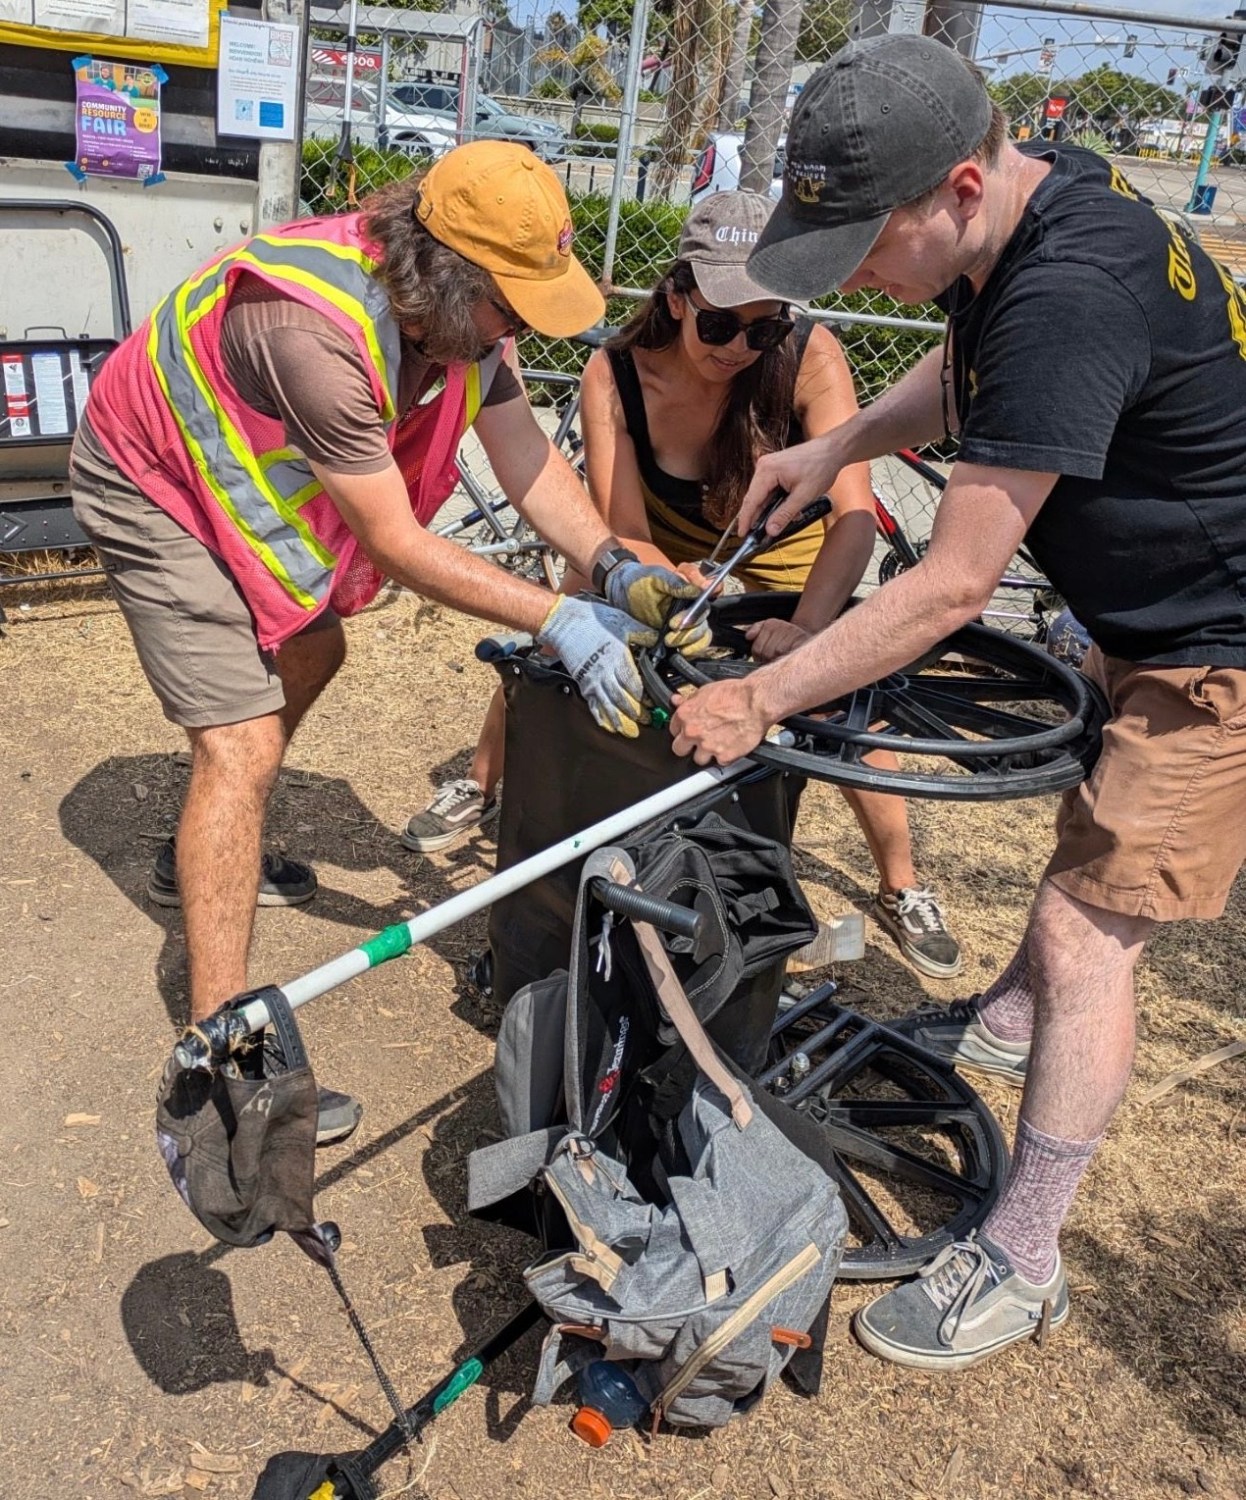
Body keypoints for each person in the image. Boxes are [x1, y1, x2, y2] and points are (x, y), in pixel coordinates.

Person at [668, 34, 1246, 1369]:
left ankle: (1022, 1257)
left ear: (963, 187)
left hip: (1216, 643)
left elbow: (949, 589)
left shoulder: (1069, 289)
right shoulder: (1041, 206)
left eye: (866, 246)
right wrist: (836, 443)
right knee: (1084, 858)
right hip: (1143, 608)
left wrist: (760, 696)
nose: (853, 278)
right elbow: (974, 366)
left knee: (1090, 930)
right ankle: (1002, 1024)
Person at [71, 142, 706, 1141]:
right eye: (510, 306)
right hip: (150, 475)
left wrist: (616, 566)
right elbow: (397, 544)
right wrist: (559, 617)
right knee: (240, 745)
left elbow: (526, 458)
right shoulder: (312, 333)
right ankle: (224, 1062)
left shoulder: (462, 325)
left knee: (315, 653)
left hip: (224, 476)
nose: (516, 330)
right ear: (447, 275)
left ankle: (207, 844)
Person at [405, 191, 962, 979]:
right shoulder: (615, 371)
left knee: (838, 688)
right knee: (566, 625)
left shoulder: (810, 355)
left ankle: (901, 884)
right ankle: (481, 783)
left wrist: (808, 630)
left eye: (762, 329)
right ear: (676, 297)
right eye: (719, 324)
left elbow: (853, 518)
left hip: (781, 543)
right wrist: (670, 583)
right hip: (658, 543)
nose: (739, 348)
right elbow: (620, 529)